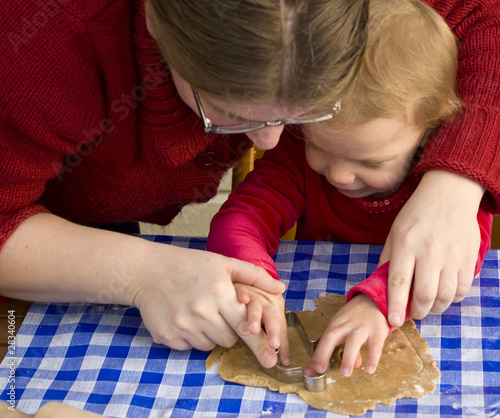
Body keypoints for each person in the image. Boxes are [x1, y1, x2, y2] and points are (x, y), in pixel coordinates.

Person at [0, 0, 498, 370]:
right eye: (233, 114)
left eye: (306, 112)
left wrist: (455, 181)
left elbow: (482, 13)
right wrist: (141, 272)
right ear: (154, 19)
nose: (271, 140)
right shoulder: (42, 39)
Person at [206, 0, 493, 376]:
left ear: (430, 135)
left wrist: (377, 305)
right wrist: (251, 277)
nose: (338, 174)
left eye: (370, 163)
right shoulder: (295, 152)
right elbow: (242, 216)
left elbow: (442, 267)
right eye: (319, 147)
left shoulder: (449, 187)